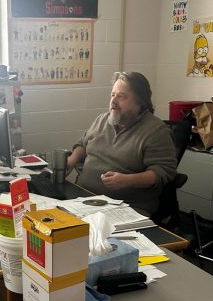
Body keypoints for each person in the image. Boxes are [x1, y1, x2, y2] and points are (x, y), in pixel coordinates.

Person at [66, 72, 177, 216]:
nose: (113, 101)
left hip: (125, 208)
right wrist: (72, 160)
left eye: (121, 97)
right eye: (113, 95)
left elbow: (162, 173)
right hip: (84, 199)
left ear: (140, 102)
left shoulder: (156, 131)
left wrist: (127, 180)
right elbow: (82, 144)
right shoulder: (102, 120)